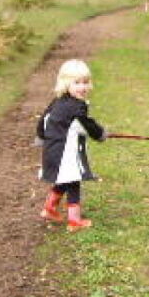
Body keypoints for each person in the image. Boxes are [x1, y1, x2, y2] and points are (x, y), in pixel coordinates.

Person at [37, 59, 106, 233]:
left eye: (85, 82)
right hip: (63, 153)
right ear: (66, 83)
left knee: (64, 179)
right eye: (77, 83)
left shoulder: (57, 101)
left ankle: (50, 208)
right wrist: (101, 134)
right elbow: (88, 124)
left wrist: (40, 137)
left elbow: (43, 119)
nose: (82, 87)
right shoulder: (78, 106)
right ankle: (75, 220)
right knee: (73, 181)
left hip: (51, 150)